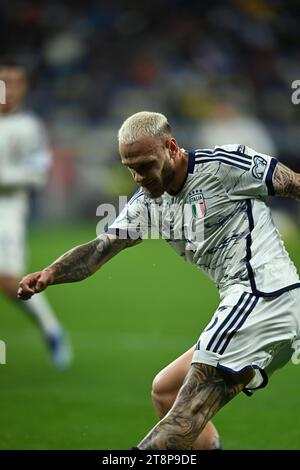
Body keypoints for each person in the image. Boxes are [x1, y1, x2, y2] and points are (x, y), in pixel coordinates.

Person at [18, 111, 300, 449]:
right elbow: (98, 251)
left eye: (146, 164)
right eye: (130, 168)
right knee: (165, 391)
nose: (138, 176)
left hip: (264, 296)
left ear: (172, 147)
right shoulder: (148, 204)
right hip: (250, 302)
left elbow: (294, 184)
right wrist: (50, 274)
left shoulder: (224, 165)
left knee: (182, 419)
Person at [0, 59, 72, 368]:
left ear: (23, 88)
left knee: (7, 280)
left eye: (14, 82)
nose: (8, 89)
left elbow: (38, 175)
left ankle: (52, 331)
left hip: (7, 209)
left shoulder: (28, 127)